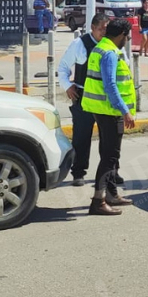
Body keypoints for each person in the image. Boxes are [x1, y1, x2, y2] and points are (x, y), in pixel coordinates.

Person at [81, 19, 137, 215]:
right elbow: (110, 86)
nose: (128, 40)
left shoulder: (100, 47)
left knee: (110, 154)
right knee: (109, 156)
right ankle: (98, 201)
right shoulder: (109, 53)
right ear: (121, 35)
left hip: (103, 109)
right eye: (127, 36)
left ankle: (112, 194)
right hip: (110, 111)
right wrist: (125, 110)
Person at [58, 12, 108, 186]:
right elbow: (63, 67)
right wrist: (67, 86)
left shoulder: (110, 44)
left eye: (106, 29)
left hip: (104, 99)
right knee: (81, 137)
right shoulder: (79, 44)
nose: (104, 32)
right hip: (83, 97)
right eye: (101, 29)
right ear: (92, 28)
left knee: (108, 138)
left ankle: (109, 173)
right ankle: (78, 172)